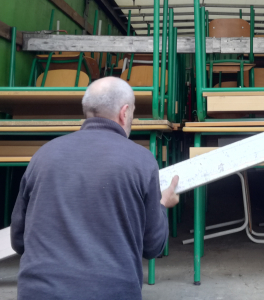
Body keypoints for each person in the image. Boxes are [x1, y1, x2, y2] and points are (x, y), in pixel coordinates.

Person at [10, 77, 179, 300]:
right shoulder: (142, 160)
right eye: (133, 112)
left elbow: (18, 240)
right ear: (124, 112)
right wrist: (162, 204)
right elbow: (153, 246)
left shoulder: (43, 155)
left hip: (38, 292)